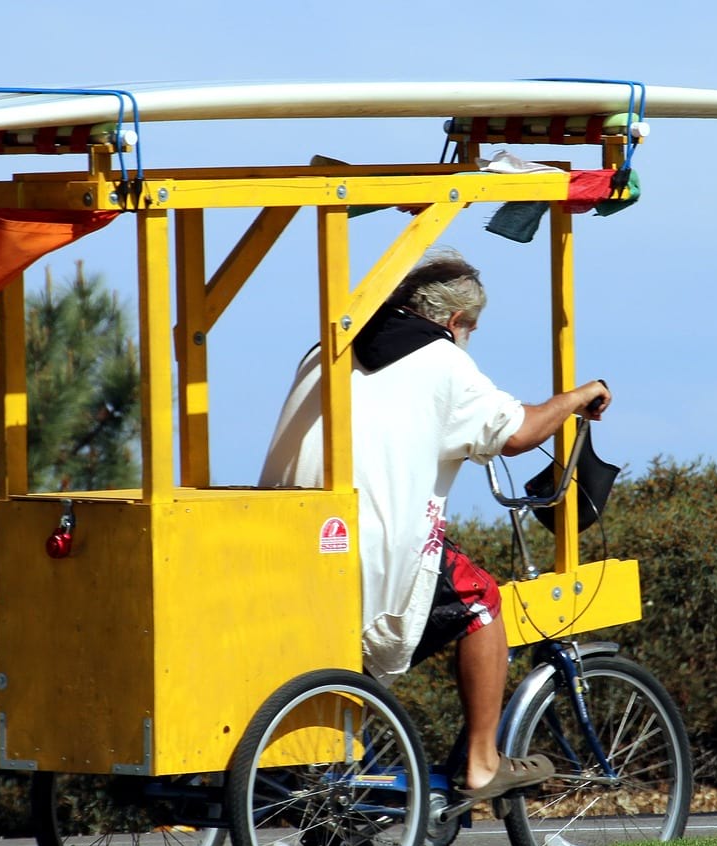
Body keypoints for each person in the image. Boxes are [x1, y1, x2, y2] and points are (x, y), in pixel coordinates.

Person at [259, 249, 611, 800]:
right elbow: (515, 435)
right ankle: (481, 762)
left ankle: (332, 783)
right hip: (372, 539)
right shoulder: (442, 362)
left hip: (288, 534)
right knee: (479, 601)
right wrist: (575, 399)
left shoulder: (328, 349)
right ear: (454, 323)